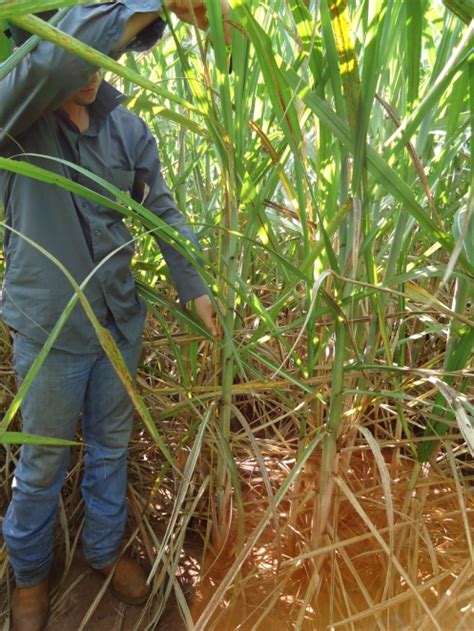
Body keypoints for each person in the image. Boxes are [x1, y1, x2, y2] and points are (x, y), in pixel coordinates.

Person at [0, 1, 228, 629]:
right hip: (51, 329)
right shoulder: (17, 113)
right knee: (43, 460)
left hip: (117, 323)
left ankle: (101, 552)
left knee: (110, 448)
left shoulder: (127, 128)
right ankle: (30, 577)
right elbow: (53, 61)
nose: (99, 71)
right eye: (92, 54)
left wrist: (194, 284)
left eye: (111, 58)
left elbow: (164, 210)